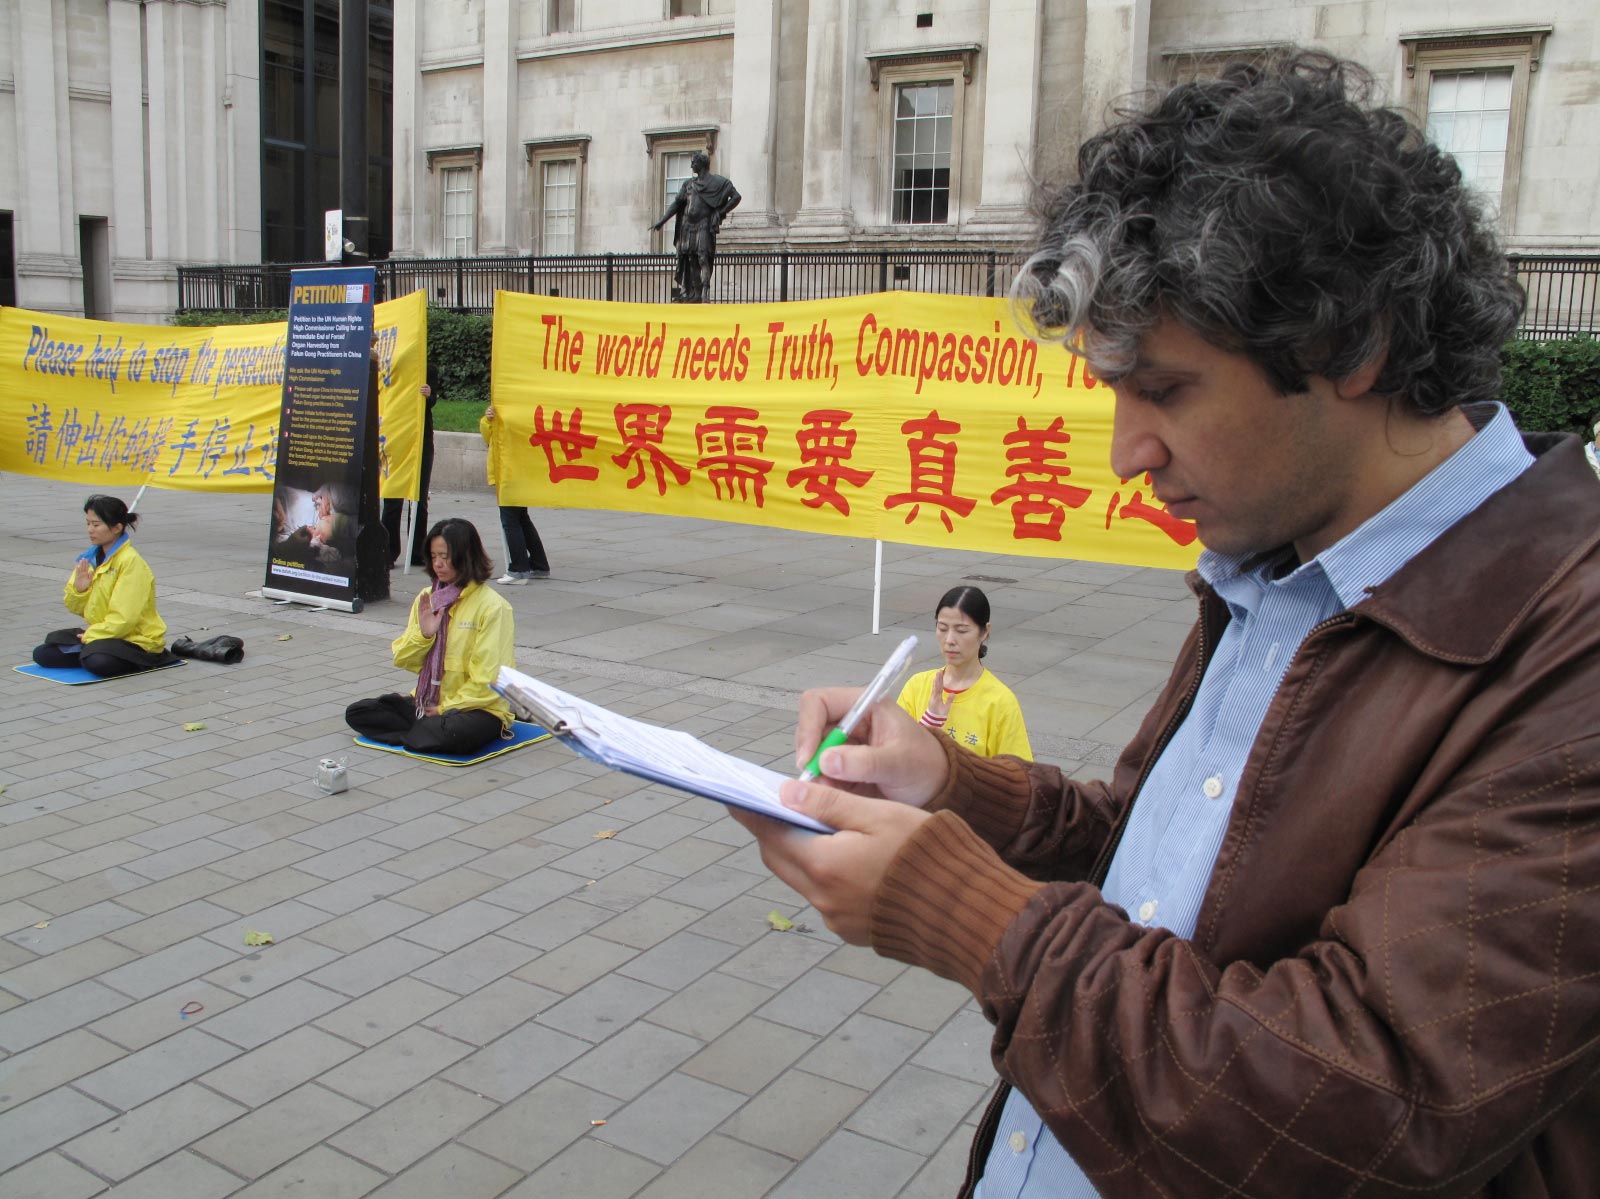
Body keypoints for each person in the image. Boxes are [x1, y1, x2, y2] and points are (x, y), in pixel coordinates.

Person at [730, 51, 1600, 1197]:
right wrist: (948, 783)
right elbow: (1151, 858)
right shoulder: (1279, 559)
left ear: (1355, 344)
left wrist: (970, 917)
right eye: (1112, 391)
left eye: (1166, 389)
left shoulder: (1565, 647)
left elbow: (1368, 1108)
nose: (1123, 453)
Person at [344, 518, 516, 756]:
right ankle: (422, 733)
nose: (438, 564)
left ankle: (424, 731)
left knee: (452, 731)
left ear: (467, 556)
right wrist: (424, 635)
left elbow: (490, 681)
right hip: (428, 703)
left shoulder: (493, 607)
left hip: (477, 708)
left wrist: (445, 708)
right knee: (359, 712)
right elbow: (404, 659)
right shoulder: (428, 598)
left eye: (445, 556)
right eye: (434, 556)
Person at [33, 494, 173, 677]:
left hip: (136, 640)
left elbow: (124, 619)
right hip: (103, 636)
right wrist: (80, 591)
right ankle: (91, 651)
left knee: (98, 662)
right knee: (43, 653)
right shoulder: (90, 559)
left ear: (116, 528)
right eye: (88, 523)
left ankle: (124, 656)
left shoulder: (131, 562)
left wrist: (92, 635)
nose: (90, 530)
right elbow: (76, 608)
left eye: (96, 525)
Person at [897, 585, 1031, 759]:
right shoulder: (917, 686)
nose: (949, 640)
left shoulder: (1000, 702)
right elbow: (894, 755)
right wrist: (931, 721)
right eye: (942, 628)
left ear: (984, 632)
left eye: (961, 631)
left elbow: (1017, 770)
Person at [649, 151, 740, 303]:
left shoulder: (718, 183)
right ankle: (695, 293)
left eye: (693, 162)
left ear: (701, 164)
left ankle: (705, 292)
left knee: (703, 258)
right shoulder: (688, 184)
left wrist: (720, 212)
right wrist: (662, 221)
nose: (691, 165)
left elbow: (736, 197)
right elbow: (676, 204)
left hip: (704, 225)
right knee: (691, 260)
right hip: (687, 227)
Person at [479, 403, 550, 584]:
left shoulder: (512, 408)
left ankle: (519, 569)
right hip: (518, 470)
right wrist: (488, 419)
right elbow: (489, 436)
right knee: (521, 518)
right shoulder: (508, 406)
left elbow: (494, 437)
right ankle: (539, 565)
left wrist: (490, 420)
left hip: (510, 471)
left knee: (510, 519)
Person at [382, 357, 438, 568]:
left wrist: (429, 395)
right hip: (397, 438)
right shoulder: (392, 366)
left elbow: (431, 402)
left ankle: (417, 552)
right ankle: (388, 552)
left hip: (421, 439)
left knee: (419, 498)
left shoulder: (428, 368)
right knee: (393, 497)